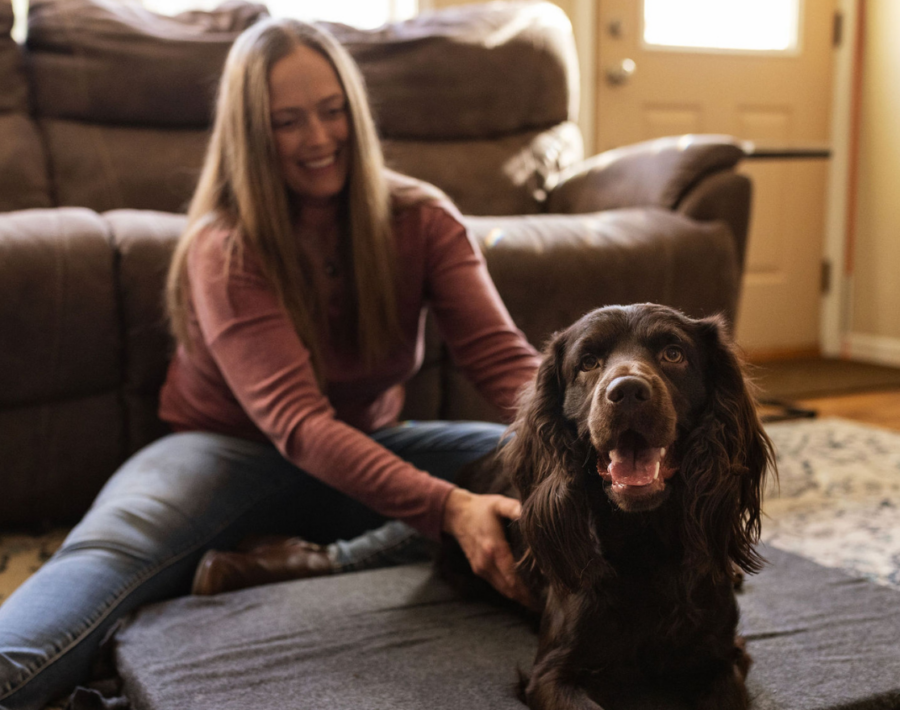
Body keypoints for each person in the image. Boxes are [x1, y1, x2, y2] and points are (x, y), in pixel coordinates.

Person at [0, 17, 540, 710]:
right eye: (286, 122)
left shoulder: (423, 218)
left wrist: (584, 446)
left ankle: (312, 563)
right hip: (224, 455)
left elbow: (502, 360)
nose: (318, 139)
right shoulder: (224, 245)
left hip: (363, 453)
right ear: (251, 136)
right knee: (104, 564)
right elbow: (298, 426)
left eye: (331, 111)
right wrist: (447, 507)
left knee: (527, 463)